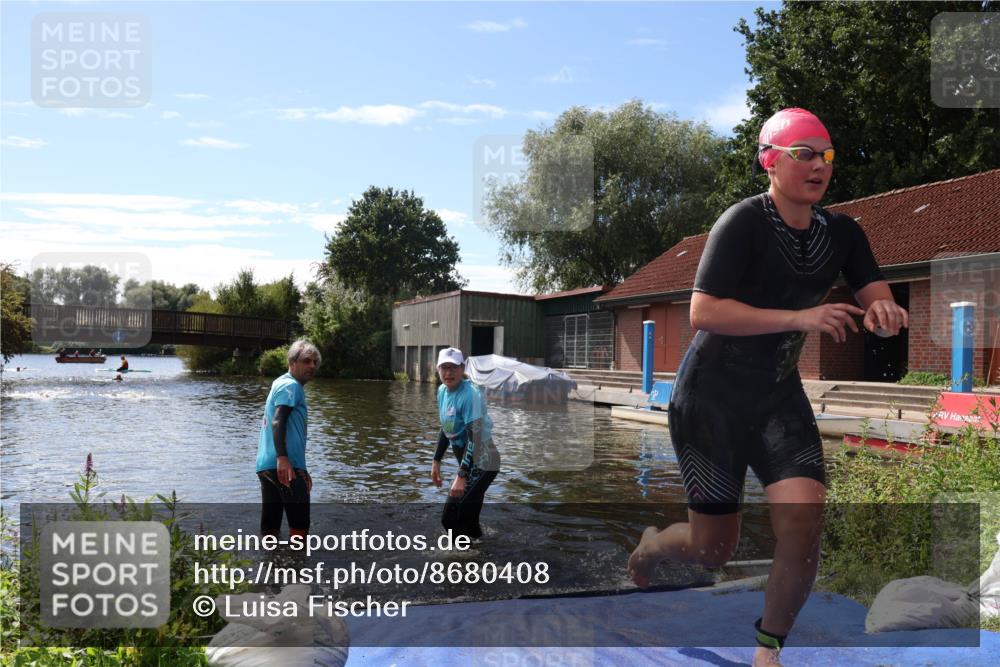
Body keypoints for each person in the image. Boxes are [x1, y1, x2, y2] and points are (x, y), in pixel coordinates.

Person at [626, 108, 908, 667]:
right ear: (769, 161)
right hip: (710, 400)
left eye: (826, 155)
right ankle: (653, 545)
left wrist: (884, 311)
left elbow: (874, 290)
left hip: (778, 397)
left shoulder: (844, 232)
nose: (818, 165)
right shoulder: (743, 223)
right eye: (803, 153)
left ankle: (768, 650)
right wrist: (800, 319)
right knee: (713, 551)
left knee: (804, 520)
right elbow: (703, 311)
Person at [430, 347, 500, 539]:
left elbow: (475, 438)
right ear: (437, 369)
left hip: (485, 462)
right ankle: (479, 556)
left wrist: (461, 475)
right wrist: (436, 461)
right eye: (444, 367)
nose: (448, 373)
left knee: (450, 518)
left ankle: (463, 561)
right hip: (469, 462)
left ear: (462, 368)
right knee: (468, 519)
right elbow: (446, 428)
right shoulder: (443, 391)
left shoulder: (470, 395)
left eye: (453, 367)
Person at [256, 339, 320, 539]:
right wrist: (284, 459)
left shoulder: (280, 382)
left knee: (270, 528)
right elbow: (278, 421)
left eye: (314, 362)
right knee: (300, 529)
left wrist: (300, 466)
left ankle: (270, 565)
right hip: (284, 467)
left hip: (267, 466)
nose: (312, 366)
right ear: (292, 363)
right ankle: (298, 568)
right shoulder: (291, 386)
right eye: (306, 361)